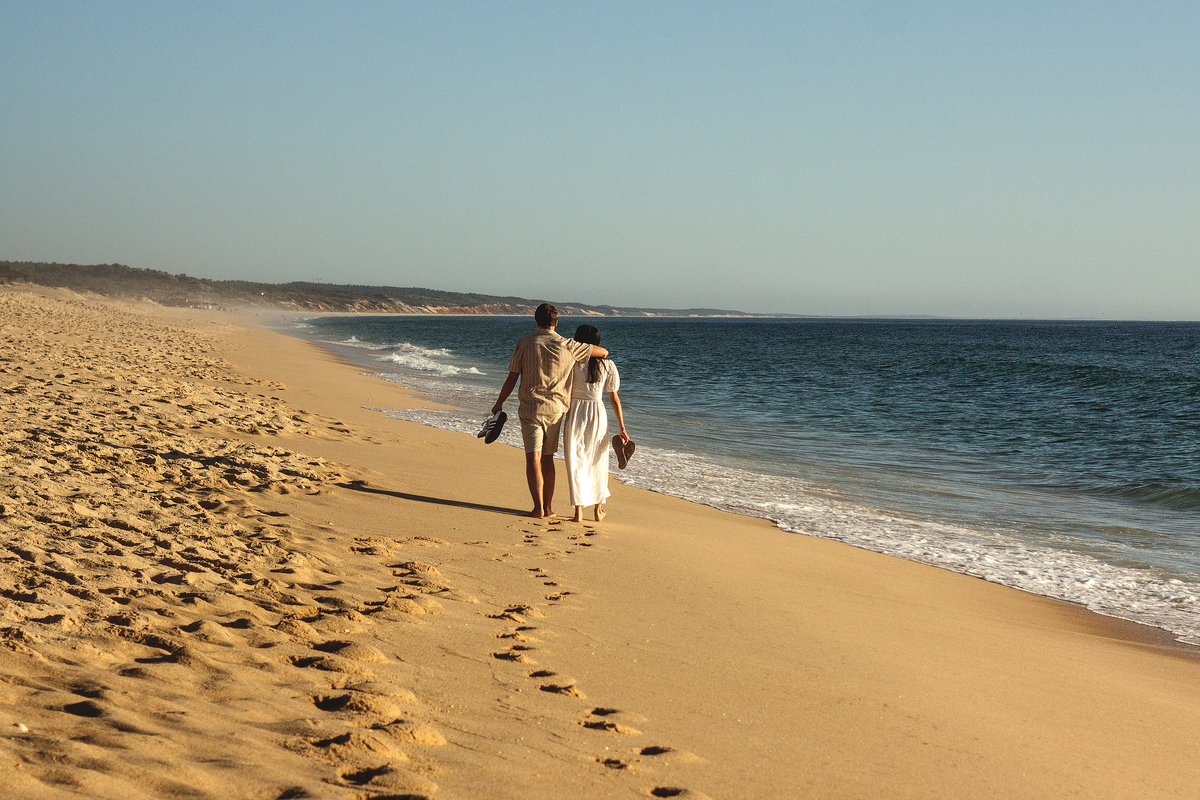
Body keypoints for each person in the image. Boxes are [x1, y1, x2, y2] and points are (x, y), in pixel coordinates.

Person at [492, 303, 607, 518]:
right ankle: (549, 507)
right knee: (548, 458)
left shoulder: (524, 343)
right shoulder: (568, 345)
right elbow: (602, 352)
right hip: (555, 411)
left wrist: (498, 404)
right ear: (556, 323)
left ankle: (538, 508)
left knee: (532, 458)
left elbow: (512, 378)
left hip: (530, 408)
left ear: (536, 321)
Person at [563, 324, 628, 523]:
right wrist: (622, 428)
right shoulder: (608, 365)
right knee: (598, 461)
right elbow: (614, 399)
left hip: (576, 413)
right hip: (598, 413)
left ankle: (578, 512)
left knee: (576, 460)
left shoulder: (572, 363)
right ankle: (598, 510)